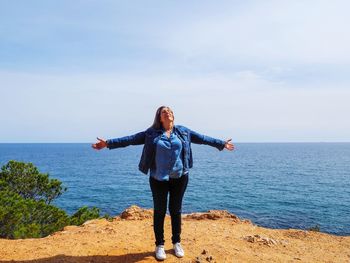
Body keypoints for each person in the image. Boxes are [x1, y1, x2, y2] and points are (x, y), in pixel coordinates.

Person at [92, 106, 234, 260]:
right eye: (164, 111)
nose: (168, 112)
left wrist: (221, 143)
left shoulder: (183, 131)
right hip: (158, 178)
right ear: (159, 118)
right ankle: (159, 245)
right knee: (159, 211)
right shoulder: (151, 133)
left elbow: (203, 138)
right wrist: (108, 143)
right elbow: (130, 139)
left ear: (173, 115)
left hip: (180, 177)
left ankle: (176, 242)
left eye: (170, 111)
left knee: (175, 210)